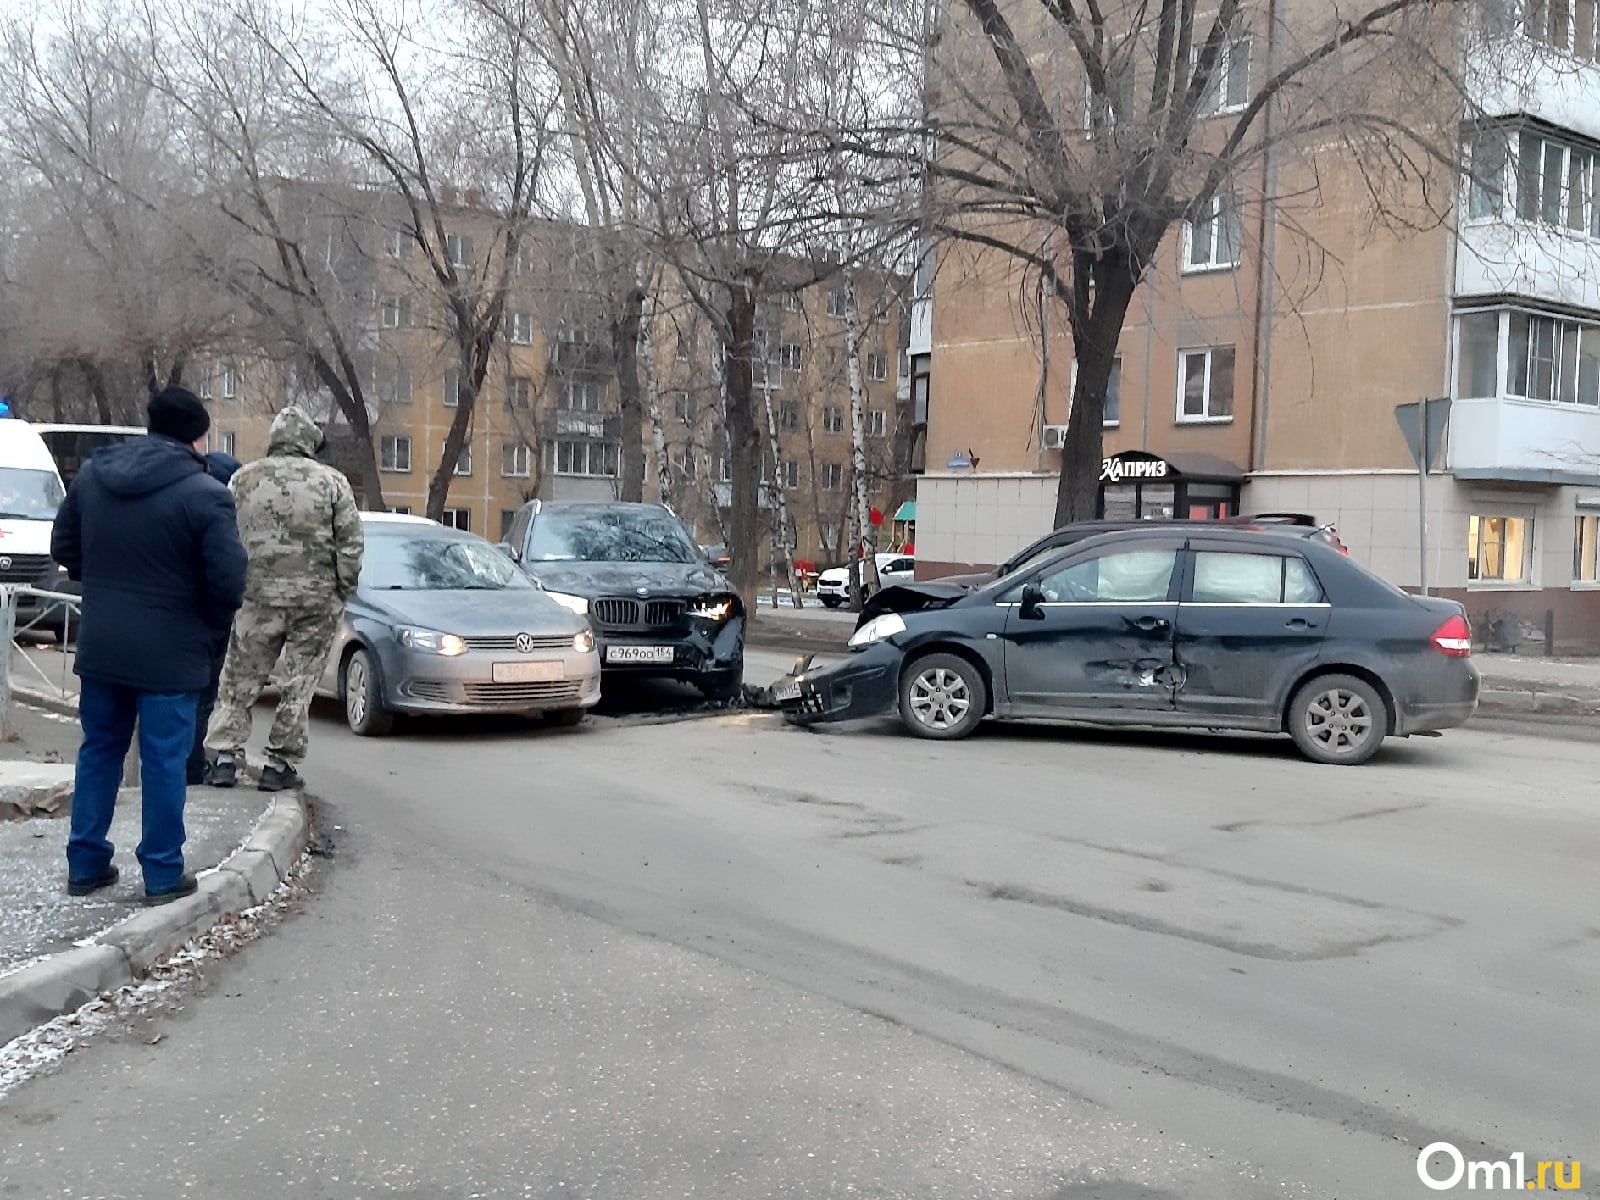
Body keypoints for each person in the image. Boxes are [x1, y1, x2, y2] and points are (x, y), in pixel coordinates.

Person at [51, 388, 247, 904]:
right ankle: (161, 874)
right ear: (199, 437)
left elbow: (63, 547)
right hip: (171, 653)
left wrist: (106, 591)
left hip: (103, 645)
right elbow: (228, 582)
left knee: (99, 750)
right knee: (164, 761)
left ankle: (85, 863)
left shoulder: (94, 476)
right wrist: (206, 627)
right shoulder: (206, 494)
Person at [206, 407, 363, 792]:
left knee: (238, 679)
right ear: (309, 442)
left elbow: (223, 536)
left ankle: (224, 757)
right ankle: (279, 765)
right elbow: (351, 544)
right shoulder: (332, 483)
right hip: (314, 601)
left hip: (255, 597)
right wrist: (342, 589)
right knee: (298, 683)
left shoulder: (242, 479)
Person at [187, 451, 243, 787]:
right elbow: (229, 576)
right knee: (201, 697)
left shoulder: (184, 502)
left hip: (173, 617)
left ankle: (186, 765)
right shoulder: (221, 512)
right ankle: (192, 768)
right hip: (207, 620)